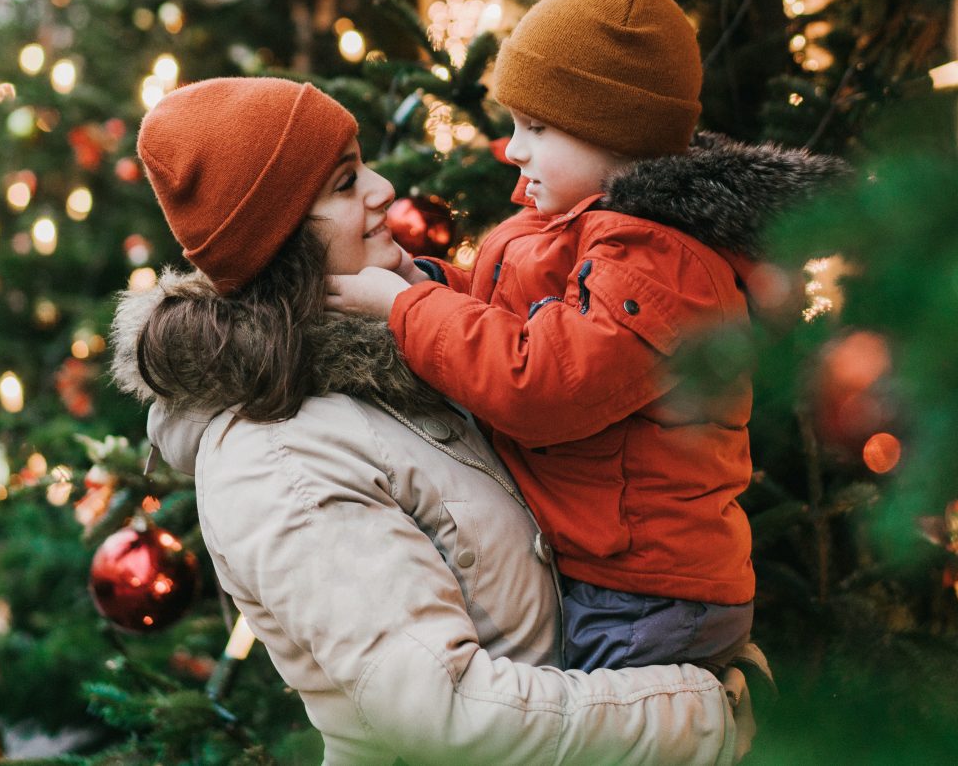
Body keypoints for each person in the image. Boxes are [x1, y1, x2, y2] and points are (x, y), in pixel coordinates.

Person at [110, 76, 757, 766]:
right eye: (346, 181)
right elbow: (446, 716)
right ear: (282, 240)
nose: (384, 189)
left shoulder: (404, 360)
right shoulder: (280, 461)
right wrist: (704, 713)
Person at [327, 0, 848, 672]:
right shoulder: (577, 229)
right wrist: (422, 283)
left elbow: (542, 382)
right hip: (610, 576)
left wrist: (403, 309)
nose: (513, 149)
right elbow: (505, 316)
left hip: (648, 593)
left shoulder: (656, 260)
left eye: (537, 129)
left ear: (618, 134)